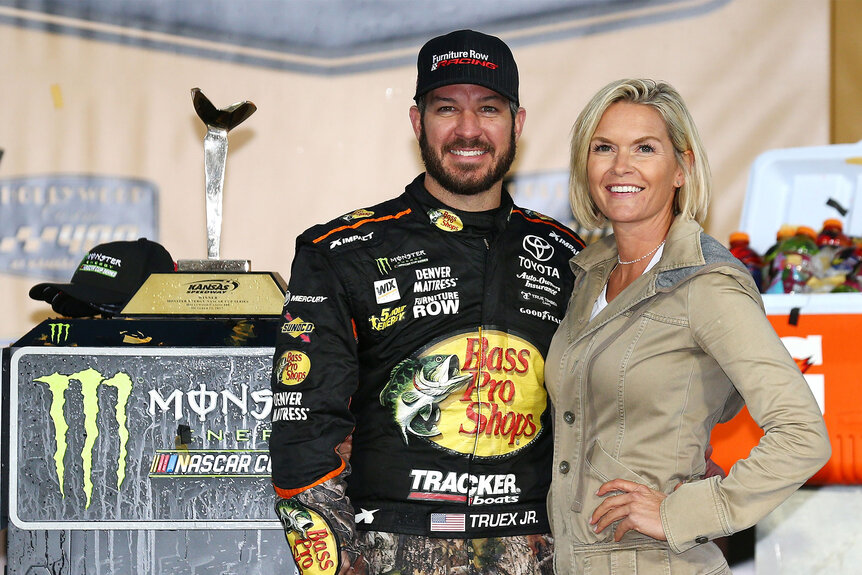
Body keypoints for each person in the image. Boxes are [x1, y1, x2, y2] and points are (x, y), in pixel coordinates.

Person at [270, 29, 585, 575]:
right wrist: (339, 564)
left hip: (538, 550)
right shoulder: (341, 251)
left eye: (489, 108)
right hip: (390, 547)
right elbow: (303, 430)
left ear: (518, 123)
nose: (469, 129)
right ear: (418, 122)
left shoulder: (570, 256)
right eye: (447, 109)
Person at [545, 78, 831, 574]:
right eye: (604, 148)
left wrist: (684, 512)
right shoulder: (587, 277)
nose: (621, 167)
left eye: (645, 148)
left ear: (681, 168)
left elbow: (803, 435)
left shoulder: (708, 284)